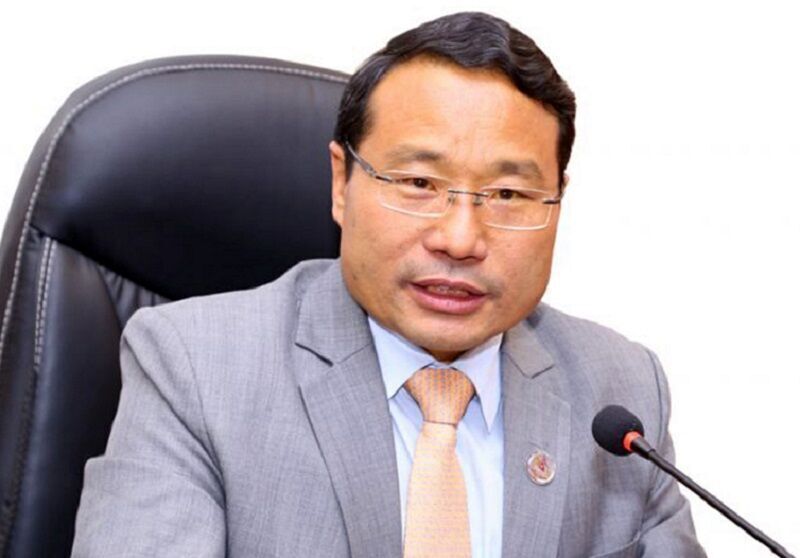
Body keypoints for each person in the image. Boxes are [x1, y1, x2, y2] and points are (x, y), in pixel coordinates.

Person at [71, 11, 706, 558]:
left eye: (508, 194)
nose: (460, 238)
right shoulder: (194, 368)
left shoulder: (621, 390)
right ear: (341, 183)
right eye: (419, 184)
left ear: (557, 201)